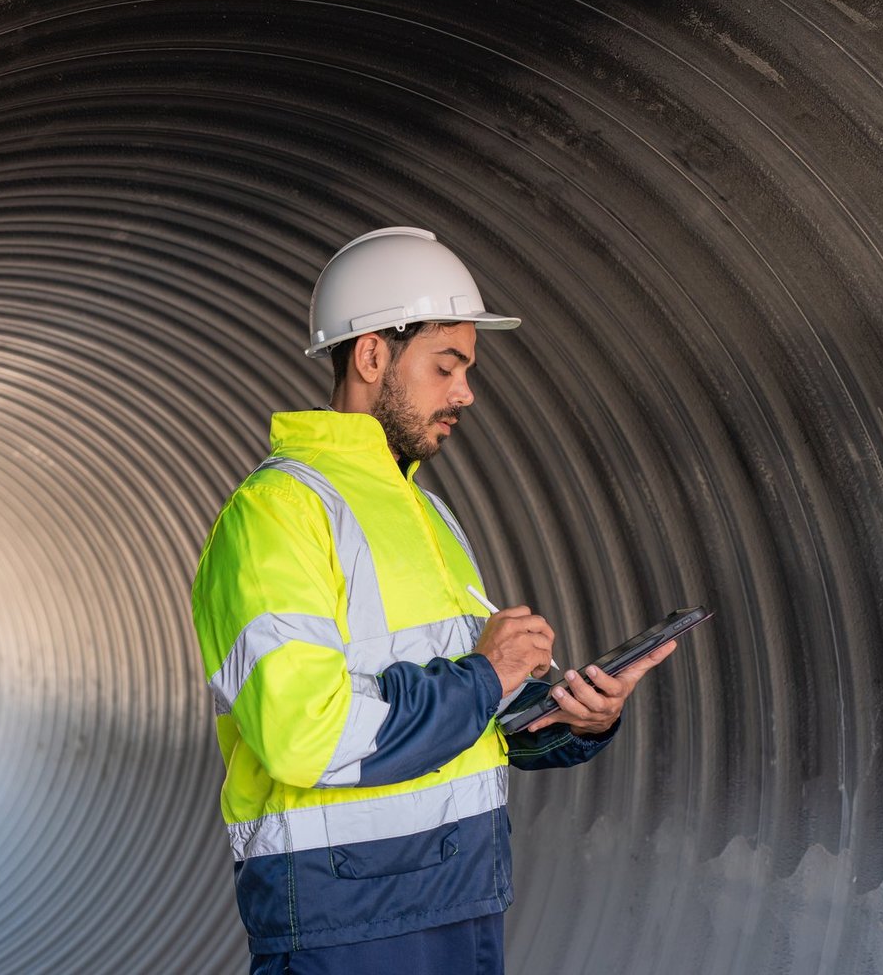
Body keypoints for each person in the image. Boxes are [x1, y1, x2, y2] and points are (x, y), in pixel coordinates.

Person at [190, 227, 677, 974]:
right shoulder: (277, 514)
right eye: (446, 366)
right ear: (371, 356)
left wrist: (571, 719)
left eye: (467, 370)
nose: (465, 393)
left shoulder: (427, 513)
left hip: (461, 897)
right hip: (348, 920)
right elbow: (304, 735)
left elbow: (470, 723)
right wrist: (484, 674)